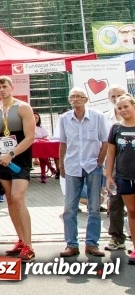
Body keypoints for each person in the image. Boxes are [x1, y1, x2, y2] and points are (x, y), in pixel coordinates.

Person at [57, 87, 108, 258]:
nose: (76, 99)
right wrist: (61, 165)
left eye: (79, 97)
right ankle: (72, 244)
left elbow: (105, 141)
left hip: (92, 166)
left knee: (94, 208)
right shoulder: (64, 118)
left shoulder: (98, 117)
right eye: (72, 97)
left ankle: (92, 244)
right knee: (69, 208)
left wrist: (99, 162)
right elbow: (62, 143)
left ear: (86, 99)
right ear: (69, 100)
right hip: (72, 166)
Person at [0, 76, 36, 261]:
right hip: (2, 161)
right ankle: (21, 240)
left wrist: (12, 154)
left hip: (19, 161)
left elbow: (30, 137)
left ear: (12, 87)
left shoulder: (23, 107)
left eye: (4, 86)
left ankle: (29, 246)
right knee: (9, 200)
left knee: (18, 197)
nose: (1, 90)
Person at [103, 94, 135, 264]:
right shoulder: (116, 128)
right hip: (123, 177)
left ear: (133, 105)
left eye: (125, 106)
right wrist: (108, 175)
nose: (123, 110)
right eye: (119, 108)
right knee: (132, 212)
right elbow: (111, 153)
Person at [105, 85, 129, 251]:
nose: (116, 99)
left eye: (119, 96)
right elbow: (109, 148)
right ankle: (117, 237)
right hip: (116, 169)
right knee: (115, 203)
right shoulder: (108, 120)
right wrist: (108, 172)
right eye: (113, 96)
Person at [34, 112, 58, 183]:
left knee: (42, 155)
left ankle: (43, 175)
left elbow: (45, 138)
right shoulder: (27, 127)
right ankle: (50, 168)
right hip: (31, 147)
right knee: (41, 155)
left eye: (36, 118)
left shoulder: (41, 128)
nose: (35, 119)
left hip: (40, 146)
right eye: (33, 117)